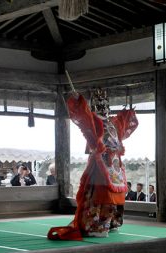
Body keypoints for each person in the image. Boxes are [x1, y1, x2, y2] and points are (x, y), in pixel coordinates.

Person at [47, 89, 138, 240]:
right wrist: (78, 101)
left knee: (117, 195)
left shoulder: (112, 124)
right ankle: (95, 225)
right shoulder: (94, 121)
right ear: (94, 107)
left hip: (114, 165)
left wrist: (128, 114)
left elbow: (123, 124)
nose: (103, 107)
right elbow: (83, 117)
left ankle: (112, 222)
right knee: (100, 194)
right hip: (99, 165)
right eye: (99, 104)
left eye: (104, 104)